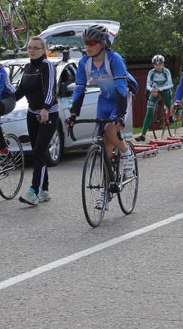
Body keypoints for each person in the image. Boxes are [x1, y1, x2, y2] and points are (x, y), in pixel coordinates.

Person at [68, 24, 134, 209]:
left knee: (109, 130)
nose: (88, 46)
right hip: (104, 100)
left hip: (120, 99)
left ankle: (127, 153)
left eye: (92, 42)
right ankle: (106, 189)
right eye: (85, 42)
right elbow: (79, 90)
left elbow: (121, 89)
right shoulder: (84, 62)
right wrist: (74, 114)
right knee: (103, 143)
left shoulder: (114, 59)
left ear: (103, 44)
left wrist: (120, 115)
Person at [13, 36, 58, 206]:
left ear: (43, 50)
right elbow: (21, 90)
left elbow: (50, 90)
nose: (31, 50)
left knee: (39, 151)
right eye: (29, 47)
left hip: (48, 114)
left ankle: (34, 191)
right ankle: (44, 190)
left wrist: (46, 108)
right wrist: (5, 104)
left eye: (36, 48)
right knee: (38, 151)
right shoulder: (27, 67)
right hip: (31, 113)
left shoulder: (47, 66)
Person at [136, 55, 174, 142]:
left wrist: (160, 89)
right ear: (153, 65)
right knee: (149, 112)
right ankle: (143, 134)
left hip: (164, 90)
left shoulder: (166, 72)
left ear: (163, 64)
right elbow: (148, 84)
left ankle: (171, 116)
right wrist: (152, 90)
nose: (158, 66)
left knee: (169, 103)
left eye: (160, 64)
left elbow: (170, 84)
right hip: (154, 91)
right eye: (156, 65)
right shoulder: (151, 72)